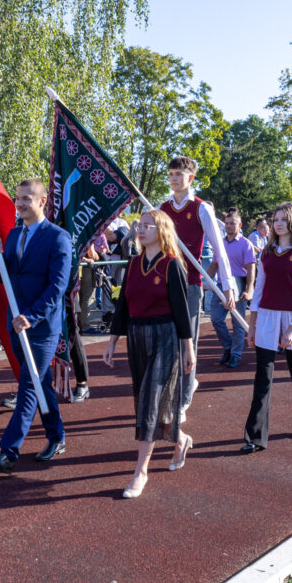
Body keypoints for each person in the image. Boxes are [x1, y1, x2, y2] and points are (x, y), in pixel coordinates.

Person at [0, 178, 72, 474]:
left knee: (29, 385)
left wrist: (31, 316)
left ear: (42, 201)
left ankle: (9, 450)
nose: (20, 203)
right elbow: (6, 276)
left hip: (40, 327)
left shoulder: (58, 237)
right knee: (40, 382)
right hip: (15, 323)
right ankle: (57, 436)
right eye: (18, 198)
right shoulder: (12, 234)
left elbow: (58, 287)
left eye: (27, 198)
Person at [103, 209, 195, 497]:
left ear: (162, 230)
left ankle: (140, 472)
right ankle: (179, 439)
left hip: (165, 335)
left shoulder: (172, 265)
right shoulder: (132, 264)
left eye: (148, 226)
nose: (140, 230)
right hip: (137, 334)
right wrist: (112, 340)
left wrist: (188, 347)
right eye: (139, 226)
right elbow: (122, 307)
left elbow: (183, 311)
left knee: (150, 401)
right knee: (147, 398)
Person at [158, 156, 236, 420]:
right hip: (167, 283)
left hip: (191, 283)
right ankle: (176, 389)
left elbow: (219, 248)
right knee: (167, 340)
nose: (174, 178)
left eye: (179, 174)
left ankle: (184, 396)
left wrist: (228, 287)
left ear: (190, 178)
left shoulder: (201, 208)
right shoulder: (161, 207)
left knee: (187, 340)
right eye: (171, 174)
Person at [242, 201, 292, 452]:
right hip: (266, 318)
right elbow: (259, 288)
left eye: (283, 219)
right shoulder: (266, 252)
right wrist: (252, 325)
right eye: (276, 219)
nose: (279, 223)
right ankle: (255, 437)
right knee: (263, 377)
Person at [208, 210, 256, 368]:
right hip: (222, 285)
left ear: (239, 225)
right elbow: (214, 265)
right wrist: (202, 282)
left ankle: (235, 355)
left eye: (232, 223)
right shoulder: (219, 244)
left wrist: (249, 290)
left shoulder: (245, 244)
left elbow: (251, 269)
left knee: (238, 322)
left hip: (239, 285)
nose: (229, 226)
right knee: (216, 319)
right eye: (227, 223)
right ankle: (228, 347)